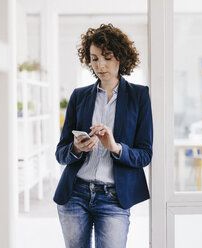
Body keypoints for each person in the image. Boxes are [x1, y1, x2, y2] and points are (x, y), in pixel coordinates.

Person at [53, 23, 153, 248]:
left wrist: (115, 147)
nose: (100, 65)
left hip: (114, 198)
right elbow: (60, 153)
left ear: (121, 58)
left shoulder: (139, 96)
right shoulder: (79, 97)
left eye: (107, 57)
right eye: (94, 58)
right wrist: (77, 148)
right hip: (75, 194)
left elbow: (145, 154)